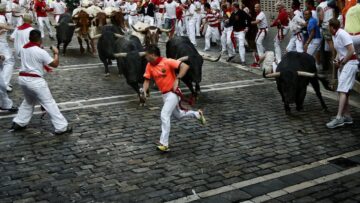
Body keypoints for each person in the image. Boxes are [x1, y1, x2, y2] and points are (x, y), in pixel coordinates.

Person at [142, 45, 206, 152]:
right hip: (165, 95)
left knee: (164, 115)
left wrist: (177, 78)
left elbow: (185, 66)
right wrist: (144, 92)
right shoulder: (149, 65)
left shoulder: (167, 61)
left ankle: (164, 144)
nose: (145, 57)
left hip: (173, 93)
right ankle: (197, 114)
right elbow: (146, 80)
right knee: (178, 116)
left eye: (146, 55)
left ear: (152, 55)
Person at [11, 30, 72, 135]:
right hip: (35, 81)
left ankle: (19, 122)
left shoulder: (23, 48)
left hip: (23, 79)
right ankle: (61, 127)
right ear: (40, 39)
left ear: (29, 38)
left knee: (29, 101)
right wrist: (56, 53)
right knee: (49, 103)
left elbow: (33, 53)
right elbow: (55, 64)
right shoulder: (40, 51)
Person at [326, 19, 358, 129]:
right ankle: (347, 116)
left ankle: (339, 117)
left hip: (350, 63)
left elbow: (351, 49)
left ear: (332, 27)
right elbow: (340, 50)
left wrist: (343, 62)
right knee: (344, 90)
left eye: (328, 26)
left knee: (342, 90)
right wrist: (336, 60)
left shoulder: (342, 34)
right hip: (343, 64)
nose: (327, 28)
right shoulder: (335, 35)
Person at [0, 5, 15, 92]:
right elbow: (2, 25)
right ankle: (4, 84)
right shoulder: (1, 17)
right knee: (9, 61)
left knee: (2, 62)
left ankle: (3, 81)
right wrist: (10, 27)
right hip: (1, 42)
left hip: (2, 41)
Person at [251, 3, 268, 68]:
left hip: (263, 30)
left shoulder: (261, 14)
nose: (255, 8)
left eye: (257, 7)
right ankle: (264, 52)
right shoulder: (258, 14)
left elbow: (257, 22)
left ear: (260, 8)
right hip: (260, 30)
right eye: (255, 7)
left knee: (258, 42)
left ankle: (261, 56)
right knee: (257, 42)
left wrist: (249, 22)